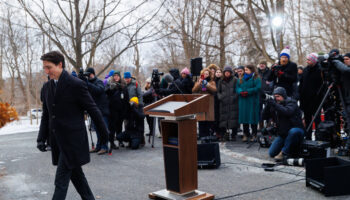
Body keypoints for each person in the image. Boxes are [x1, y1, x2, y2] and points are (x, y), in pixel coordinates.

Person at [37, 51, 109, 200]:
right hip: (58, 140)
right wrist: (41, 138)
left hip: (73, 141)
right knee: (77, 176)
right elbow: (46, 115)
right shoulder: (47, 87)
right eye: (44, 67)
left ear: (60, 65)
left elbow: (93, 109)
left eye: (49, 67)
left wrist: (104, 134)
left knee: (60, 181)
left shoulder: (76, 84)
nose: (46, 71)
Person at [263, 87, 304, 161]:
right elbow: (263, 116)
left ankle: (284, 152)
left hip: (297, 130)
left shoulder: (292, 102)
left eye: (278, 96)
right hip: (284, 134)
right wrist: (268, 104)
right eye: (275, 97)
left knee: (293, 131)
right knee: (271, 153)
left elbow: (287, 112)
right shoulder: (276, 104)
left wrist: (274, 104)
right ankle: (288, 149)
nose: (276, 99)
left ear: (284, 96)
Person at [84, 67, 110, 155]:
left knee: (103, 129)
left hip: (102, 111)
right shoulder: (88, 83)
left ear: (93, 74)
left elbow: (98, 90)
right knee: (97, 130)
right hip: (94, 111)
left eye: (89, 74)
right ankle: (98, 146)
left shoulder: (99, 82)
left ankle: (104, 147)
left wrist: (87, 83)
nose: (88, 76)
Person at [299, 53, 323, 139]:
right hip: (306, 100)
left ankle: (318, 137)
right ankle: (308, 137)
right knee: (307, 119)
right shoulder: (305, 70)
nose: (307, 61)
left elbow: (322, 85)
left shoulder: (320, 70)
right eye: (307, 60)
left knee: (317, 120)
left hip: (316, 100)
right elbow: (301, 84)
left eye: (309, 60)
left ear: (313, 61)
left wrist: (318, 95)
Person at [236, 64, 261, 142]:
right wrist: (240, 92)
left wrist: (248, 92)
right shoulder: (241, 78)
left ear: (252, 70)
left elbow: (258, 87)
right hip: (243, 101)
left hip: (252, 101)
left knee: (253, 118)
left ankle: (254, 134)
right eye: (245, 69)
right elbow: (237, 87)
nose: (245, 71)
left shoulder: (256, 78)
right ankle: (246, 134)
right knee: (244, 118)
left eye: (247, 70)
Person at [105, 71, 129, 149]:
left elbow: (126, 99)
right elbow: (106, 94)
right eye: (114, 76)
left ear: (119, 77)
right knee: (112, 127)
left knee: (119, 126)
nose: (116, 77)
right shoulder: (110, 84)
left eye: (117, 76)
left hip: (121, 110)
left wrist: (125, 110)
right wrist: (110, 89)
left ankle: (120, 141)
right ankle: (111, 142)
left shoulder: (123, 86)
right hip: (112, 110)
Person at [192, 68, 217, 138]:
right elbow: (194, 90)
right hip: (201, 102)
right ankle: (201, 135)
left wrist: (207, 84)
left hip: (209, 103)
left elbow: (214, 90)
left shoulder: (212, 82)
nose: (205, 75)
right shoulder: (198, 81)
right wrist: (199, 83)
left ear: (209, 75)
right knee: (201, 119)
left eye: (207, 74)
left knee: (208, 120)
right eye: (204, 74)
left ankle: (208, 135)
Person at [217, 66, 239, 141]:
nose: (227, 73)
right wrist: (220, 97)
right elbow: (218, 91)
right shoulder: (221, 80)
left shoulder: (235, 80)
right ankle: (223, 135)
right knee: (223, 119)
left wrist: (234, 97)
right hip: (223, 102)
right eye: (225, 72)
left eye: (228, 72)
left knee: (233, 119)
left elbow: (237, 90)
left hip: (233, 103)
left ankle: (234, 135)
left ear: (230, 73)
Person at [332, 53, 350, 141]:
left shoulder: (346, 70)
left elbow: (346, 70)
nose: (344, 61)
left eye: (346, 59)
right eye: (343, 59)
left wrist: (336, 62)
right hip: (345, 99)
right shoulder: (342, 72)